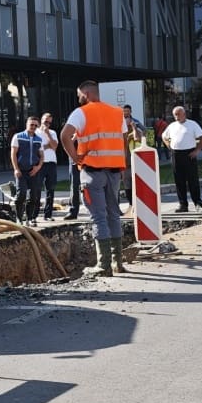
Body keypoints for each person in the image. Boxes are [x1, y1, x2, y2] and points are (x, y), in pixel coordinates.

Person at [60, 80, 129, 277]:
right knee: (113, 215)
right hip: (114, 172)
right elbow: (124, 139)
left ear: (86, 94)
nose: (78, 99)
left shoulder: (81, 112)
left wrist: (75, 158)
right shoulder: (117, 112)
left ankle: (103, 264)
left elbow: (65, 135)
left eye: (79, 95)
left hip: (92, 172)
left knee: (99, 217)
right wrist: (122, 164)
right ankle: (117, 262)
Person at [161, 105, 202, 213]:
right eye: (175, 115)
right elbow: (164, 136)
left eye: (178, 114)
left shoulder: (192, 124)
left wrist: (197, 150)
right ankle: (183, 204)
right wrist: (169, 146)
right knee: (179, 180)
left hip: (189, 153)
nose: (177, 117)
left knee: (193, 180)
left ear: (184, 114)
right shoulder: (172, 126)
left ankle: (198, 204)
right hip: (176, 154)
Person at [10, 116, 44, 225]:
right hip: (21, 170)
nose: (33, 127)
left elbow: (41, 155)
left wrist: (38, 167)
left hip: (33, 171)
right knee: (21, 194)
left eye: (35, 125)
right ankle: (19, 218)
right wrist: (16, 169)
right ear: (27, 124)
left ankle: (29, 218)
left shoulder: (39, 139)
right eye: (31, 124)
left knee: (34, 196)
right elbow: (13, 154)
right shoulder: (18, 136)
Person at [36, 113, 60, 220]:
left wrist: (47, 134)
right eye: (46, 121)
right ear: (41, 120)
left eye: (49, 123)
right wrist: (46, 146)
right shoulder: (36, 132)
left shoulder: (52, 133)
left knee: (50, 189)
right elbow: (37, 148)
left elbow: (54, 146)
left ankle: (48, 215)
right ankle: (34, 215)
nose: (47, 124)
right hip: (40, 163)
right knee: (37, 189)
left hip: (51, 163)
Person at [121, 105, 146, 202]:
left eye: (127, 111)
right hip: (125, 161)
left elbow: (143, 131)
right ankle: (131, 203)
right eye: (124, 111)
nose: (125, 113)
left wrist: (135, 130)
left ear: (130, 112)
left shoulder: (136, 122)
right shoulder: (119, 122)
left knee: (137, 181)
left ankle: (139, 201)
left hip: (135, 160)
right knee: (126, 182)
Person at [63, 131, 83, 220]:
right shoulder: (71, 132)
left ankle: (94, 211)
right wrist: (75, 137)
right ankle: (73, 211)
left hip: (87, 161)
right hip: (74, 162)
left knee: (91, 186)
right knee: (74, 186)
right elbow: (66, 146)